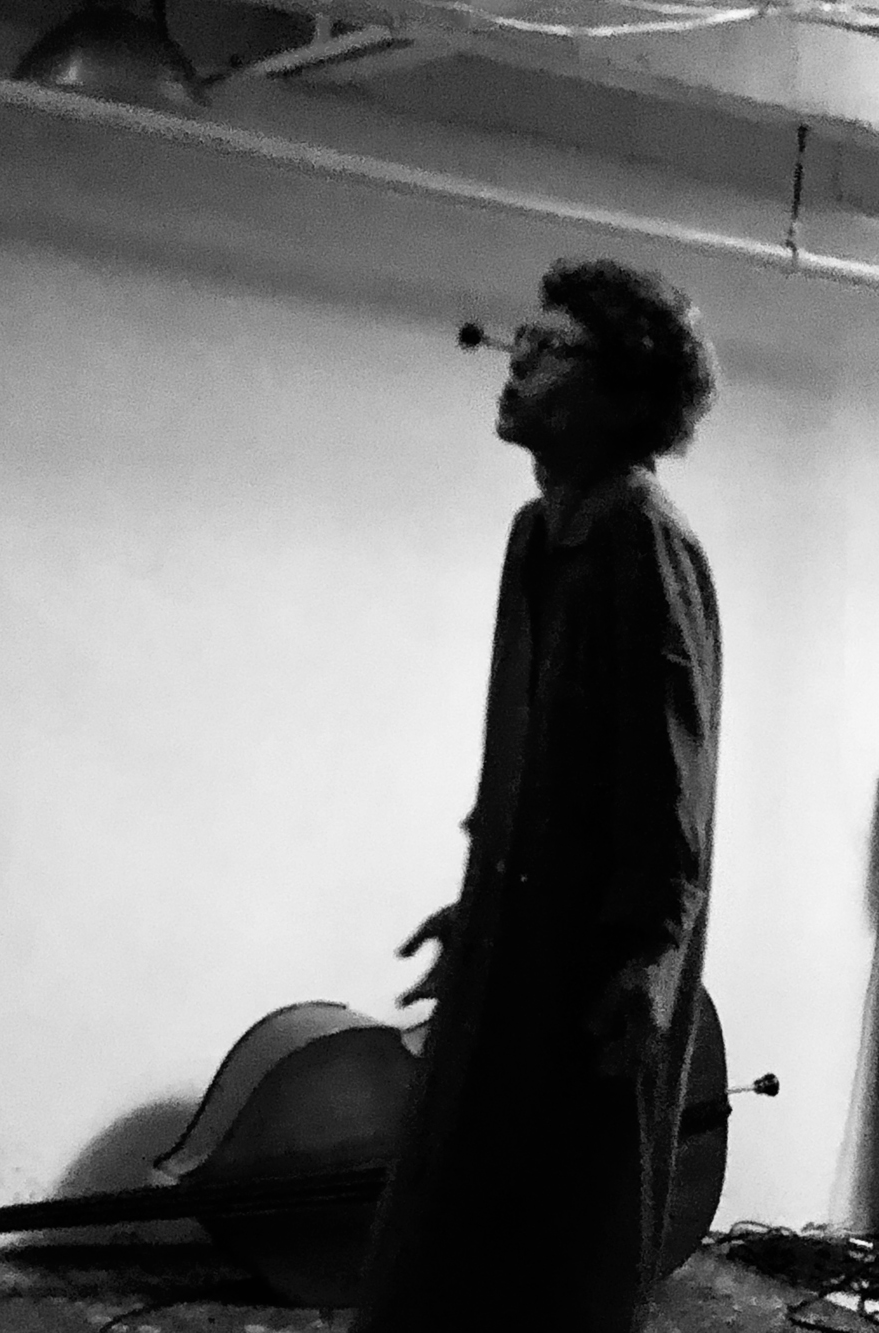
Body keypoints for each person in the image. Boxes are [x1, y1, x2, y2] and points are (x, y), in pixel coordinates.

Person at [349, 258, 723, 1333]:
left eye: (549, 349)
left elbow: (670, 775)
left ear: (622, 388)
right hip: (516, 930)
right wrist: (481, 904)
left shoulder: (640, 538)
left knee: (557, 1235)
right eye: (521, 339)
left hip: (592, 965)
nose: (513, 364)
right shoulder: (539, 531)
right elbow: (535, 751)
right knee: (450, 1211)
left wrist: (649, 958)